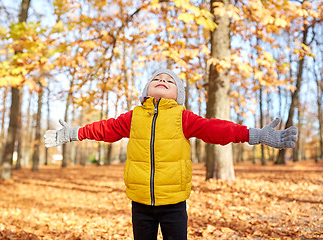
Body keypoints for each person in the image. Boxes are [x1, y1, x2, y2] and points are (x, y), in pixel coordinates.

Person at [44, 68, 298, 240]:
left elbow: (217, 129)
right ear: (146, 90)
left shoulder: (182, 117)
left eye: (170, 81)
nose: (163, 80)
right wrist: (74, 133)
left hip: (174, 202)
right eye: (157, 79)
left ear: (179, 95)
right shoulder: (133, 117)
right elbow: (104, 129)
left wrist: (256, 135)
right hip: (140, 202)